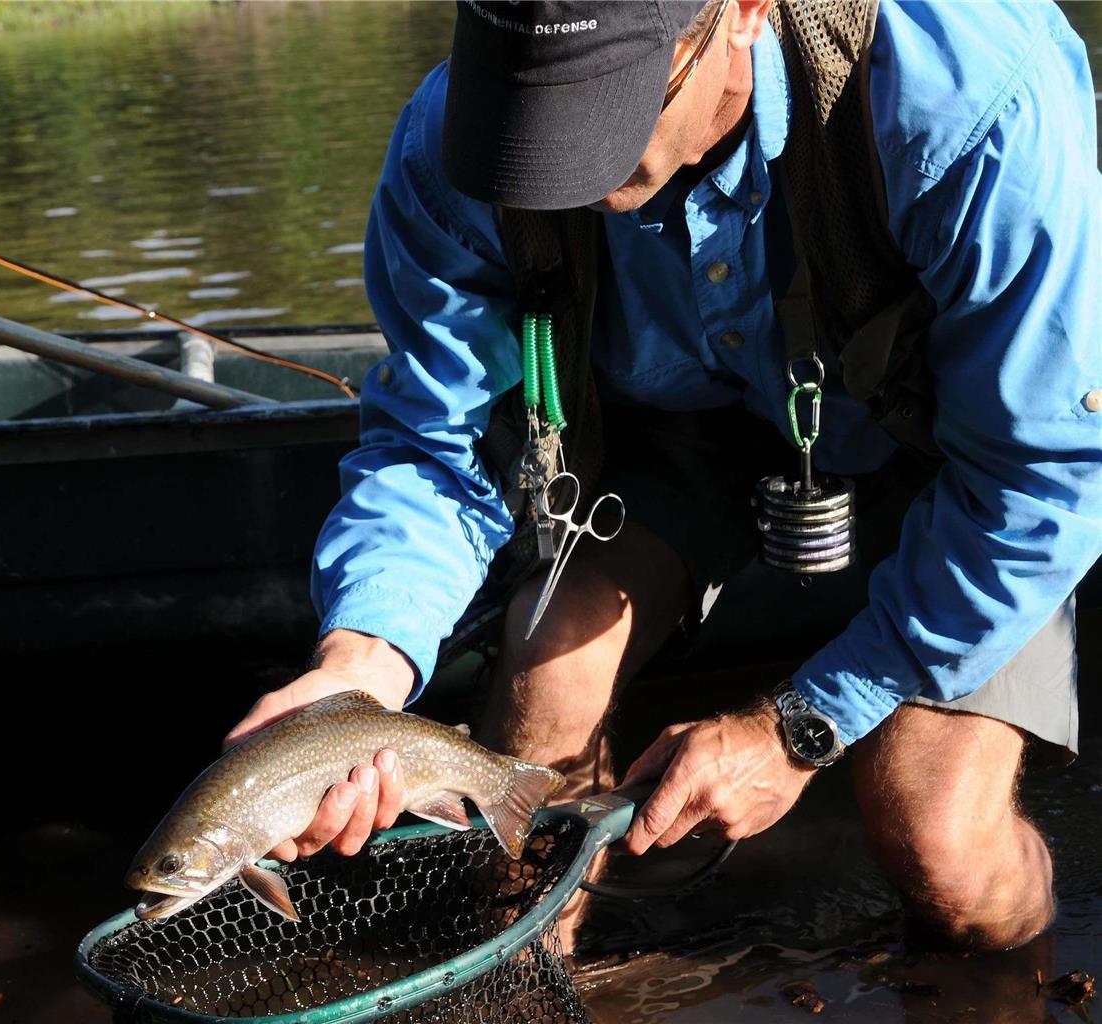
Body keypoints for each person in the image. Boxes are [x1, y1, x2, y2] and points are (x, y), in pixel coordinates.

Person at [226, 0, 1101, 952]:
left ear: (744, 14)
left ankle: (1015, 984)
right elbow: (432, 442)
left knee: (940, 850)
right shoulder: (459, 139)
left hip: (954, 459)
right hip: (678, 434)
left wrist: (799, 728)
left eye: (600, 105)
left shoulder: (970, 100)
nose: (553, 162)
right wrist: (358, 664)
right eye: (525, 113)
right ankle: (536, 977)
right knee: (542, 677)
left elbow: (1041, 481)